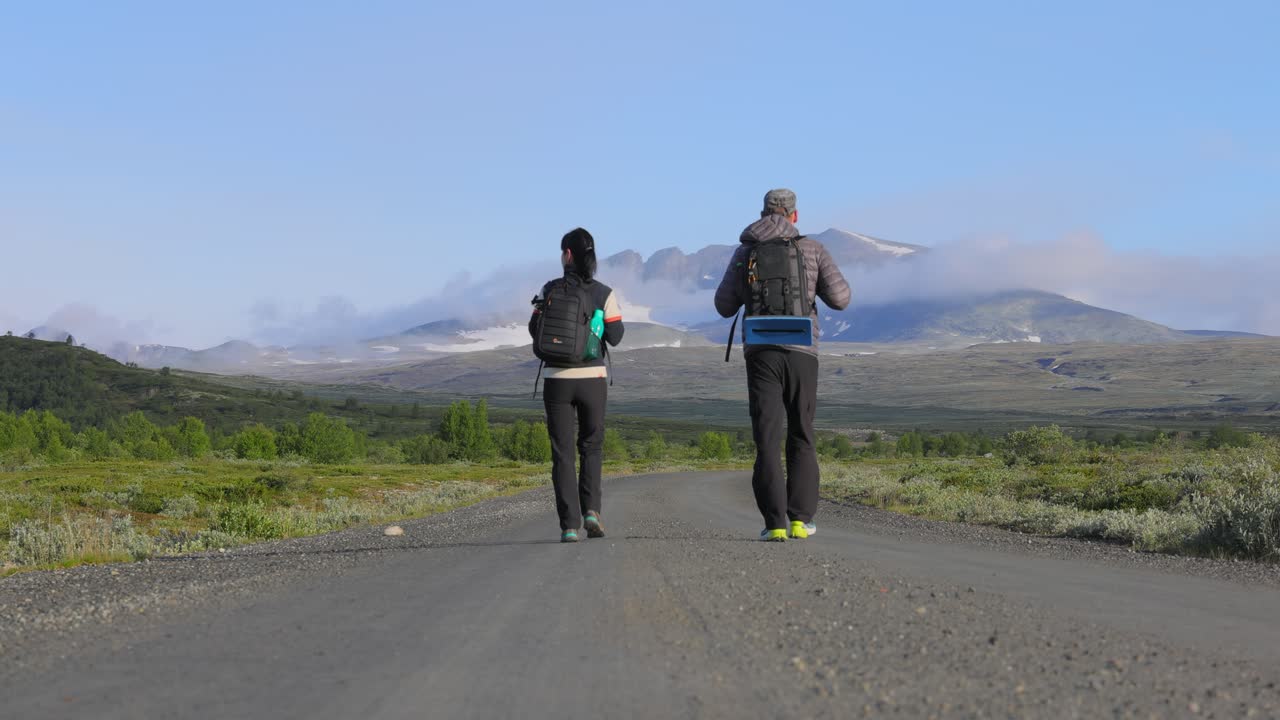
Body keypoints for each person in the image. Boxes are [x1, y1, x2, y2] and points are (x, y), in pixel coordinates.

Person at [714, 189, 850, 541]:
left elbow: (723, 306)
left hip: (761, 351)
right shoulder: (812, 248)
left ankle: (774, 523)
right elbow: (841, 299)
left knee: (767, 437)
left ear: (762, 213)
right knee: (802, 433)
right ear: (795, 215)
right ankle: (801, 520)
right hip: (804, 349)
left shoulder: (746, 251)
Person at [529, 228, 624, 543]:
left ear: (567, 254)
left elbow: (534, 329)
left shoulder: (547, 289)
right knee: (591, 447)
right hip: (592, 379)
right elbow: (616, 336)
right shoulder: (604, 293)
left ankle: (569, 526)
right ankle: (591, 512)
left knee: (562, 453)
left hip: (556, 380)